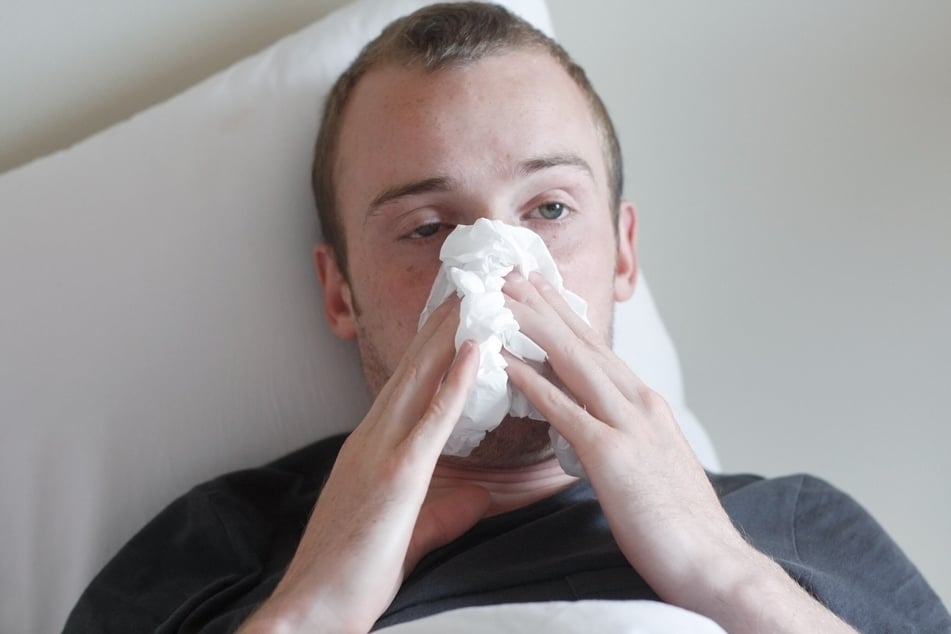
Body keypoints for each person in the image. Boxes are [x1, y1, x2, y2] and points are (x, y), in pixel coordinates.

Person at [64, 3, 949, 633]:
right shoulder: (215, 552)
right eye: (428, 227)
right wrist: (311, 610)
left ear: (624, 254)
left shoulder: (793, 533)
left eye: (549, 211)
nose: (498, 270)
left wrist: (726, 577)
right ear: (339, 292)